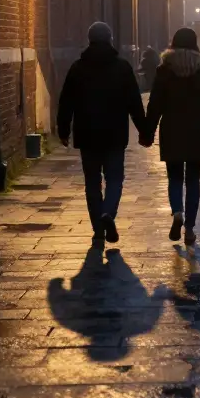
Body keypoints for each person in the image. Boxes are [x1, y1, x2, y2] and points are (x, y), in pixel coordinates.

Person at [57, 21, 146, 246]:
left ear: (89, 40)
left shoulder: (78, 68)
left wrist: (63, 129)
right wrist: (144, 130)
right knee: (115, 179)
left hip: (87, 134)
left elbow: (66, 101)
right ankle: (108, 213)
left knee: (92, 181)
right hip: (115, 134)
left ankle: (98, 229)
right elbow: (134, 102)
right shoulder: (122, 67)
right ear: (110, 40)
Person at [140, 27, 200, 245]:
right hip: (199, 131)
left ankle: (177, 211)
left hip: (172, 130)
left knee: (175, 178)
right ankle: (189, 229)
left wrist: (148, 131)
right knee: (193, 180)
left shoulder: (164, 69)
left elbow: (155, 104)